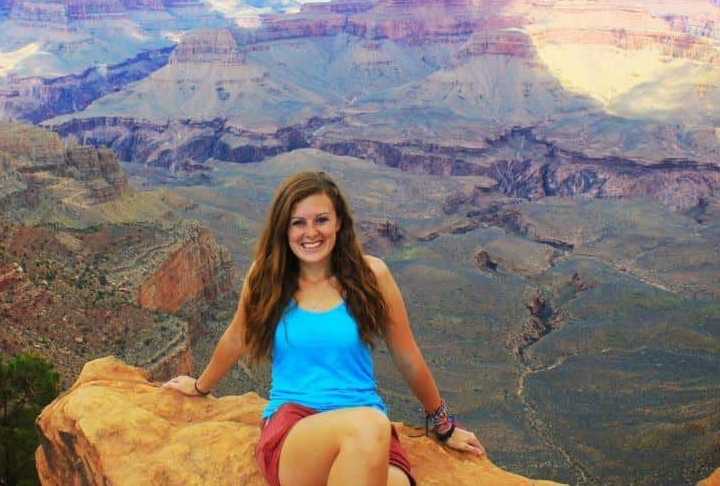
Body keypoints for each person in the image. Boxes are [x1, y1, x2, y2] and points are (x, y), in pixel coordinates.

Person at [164, 171, 485, 485]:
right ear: (284, 229)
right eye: (298, 222)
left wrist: (444, 425)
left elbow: (407, 358)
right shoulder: (266, 277)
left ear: (339, 223)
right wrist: (199, 387)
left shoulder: (372, 275)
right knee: (368, 426)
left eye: (321, 220)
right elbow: (237, 337)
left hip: (367, 433)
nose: (311, 232)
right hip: (295, 429)